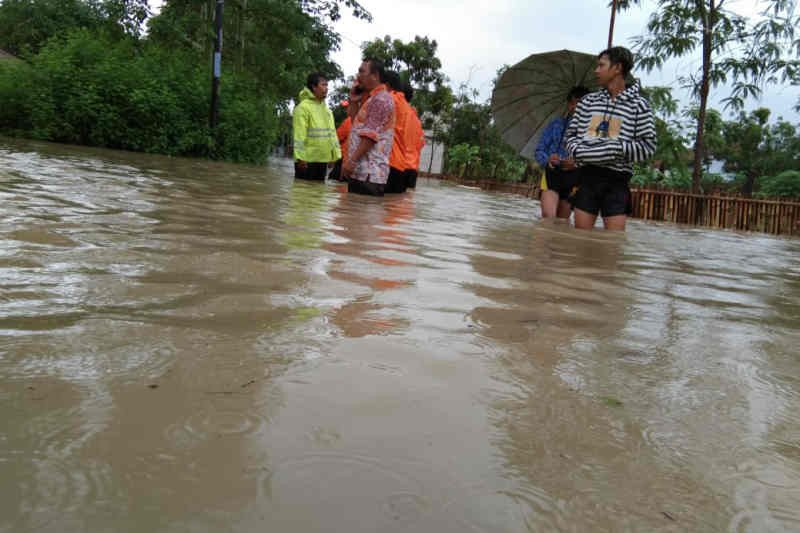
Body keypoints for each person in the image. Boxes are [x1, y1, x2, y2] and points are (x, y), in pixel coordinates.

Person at [564, 47, 656, 230]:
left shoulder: (639, 106)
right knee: (578, 240)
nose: (596, 71)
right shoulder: (587, 102)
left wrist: (614, 149)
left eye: (601, 65)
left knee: (613, 244)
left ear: (617, 68)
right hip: (587, 178)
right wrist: (582, 152)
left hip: (617, 181)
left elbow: (648, 146)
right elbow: (570, 137)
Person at [341, 58, 396, 196]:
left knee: (363, 216)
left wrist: (351, 161)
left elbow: (370, 136)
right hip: (362, 173)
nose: (358, 75)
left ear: (375, 75)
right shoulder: (372, 99)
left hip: (370, 175)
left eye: (361, 71)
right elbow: (355, 125)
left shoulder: (381, 99)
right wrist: (354, 101)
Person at [534, 86, 590, 219]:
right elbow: (539, 150)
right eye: (573, 102)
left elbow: (594, 158)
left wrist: (577, 162)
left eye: (581, 103)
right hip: (552, 173)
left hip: (575, 177)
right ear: (569, 104)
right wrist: (548, 159)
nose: (576, 106)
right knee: (548, 217)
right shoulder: (556, 124)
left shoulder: (592, 131)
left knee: (562, 221)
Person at [292, 72, 341, 180]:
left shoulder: (327, 111)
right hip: (306, 161)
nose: (326, 88)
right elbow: (299, 135)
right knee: (302, 193)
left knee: (318, 194)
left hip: (322, 161)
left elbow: (332, 134)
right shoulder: (302, 108)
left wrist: (335, 156)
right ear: (314, 87)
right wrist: (300, 157)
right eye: (323, 85)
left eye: (327, 85)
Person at [384, 71, 413, 194]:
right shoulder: (407, 107)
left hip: (388, 163)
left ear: (387, 84)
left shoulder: (389, 99)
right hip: (401, 165)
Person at [402, 84, 425, 189]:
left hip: (398, 166)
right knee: (406, 201)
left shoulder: (398, 112)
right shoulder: (417, 120)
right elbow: (421, 144)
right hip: (413, 168)